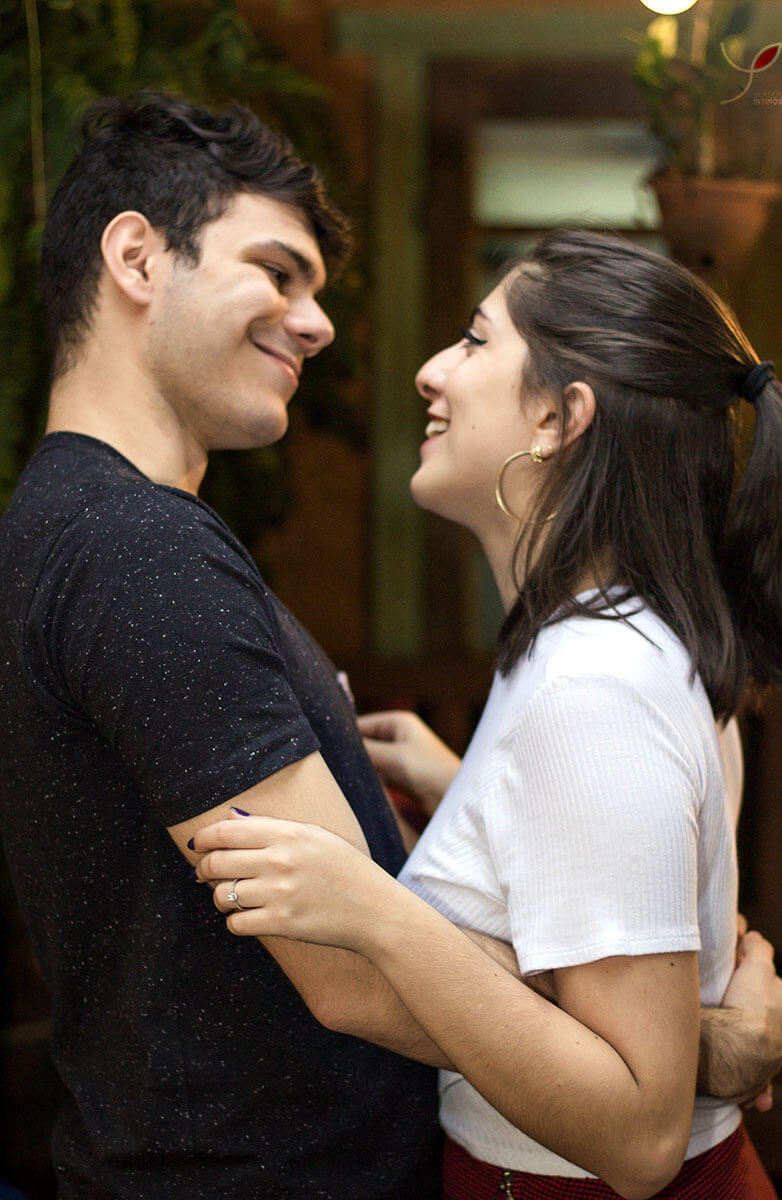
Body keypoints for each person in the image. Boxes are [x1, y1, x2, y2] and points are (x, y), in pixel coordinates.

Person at [191, 230, 782, 1199]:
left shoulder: (591, 691)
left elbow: (637, 1137)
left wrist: (379, 916)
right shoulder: (604, 643)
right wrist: (465, 785)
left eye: (475, 342)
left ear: (560, 418)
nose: (433, 371)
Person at [0, 90, 443, 1199]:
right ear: (139, 257)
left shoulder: (76, 523)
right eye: (277, 272)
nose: (316, 321)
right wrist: (652, 1047)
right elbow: (350, 973)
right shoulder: (132, 545)